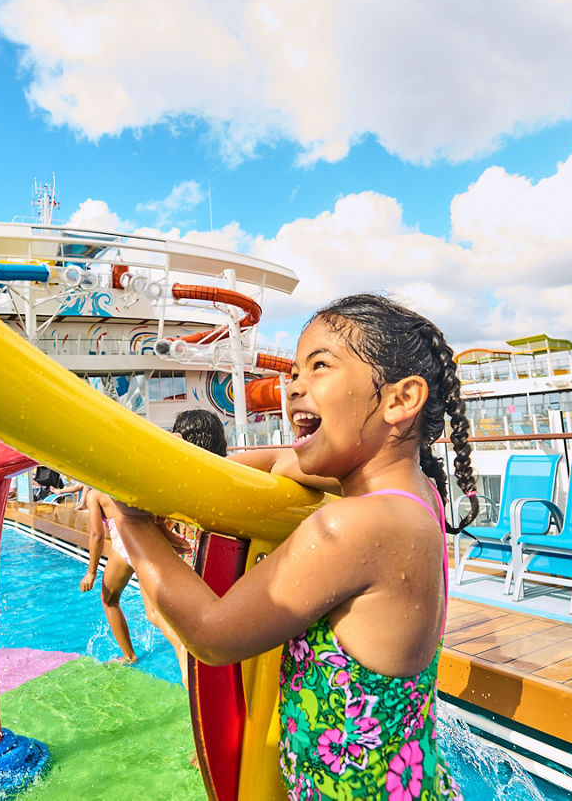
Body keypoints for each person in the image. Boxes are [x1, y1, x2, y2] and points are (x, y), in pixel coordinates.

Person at [114, 294, 471, 798]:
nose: (293, 385)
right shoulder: (414, 497)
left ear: (399, 400)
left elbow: (213, 635)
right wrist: (171, 488)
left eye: (319, 366)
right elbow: (284, 463)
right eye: (295, 371)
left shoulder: (355, 526)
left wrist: (129, 521)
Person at [80, 409, 228, 671]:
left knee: (114, 600)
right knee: (156, 611)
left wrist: (91, 571)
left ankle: (137, 654)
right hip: (148, 539)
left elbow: (96, 535)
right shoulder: (201, 480)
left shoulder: (97, 493)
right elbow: (159, 516)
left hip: (131, 543)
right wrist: (169, 536)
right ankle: (184, 649)